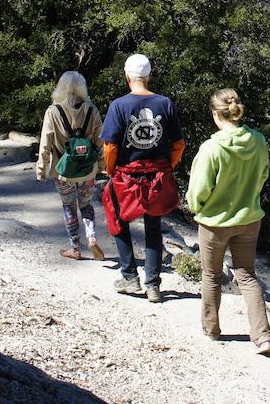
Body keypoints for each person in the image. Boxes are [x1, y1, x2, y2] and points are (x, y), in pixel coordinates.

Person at [187, 88, 270, 354]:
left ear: (216, 114)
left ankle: (211, 329)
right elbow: (263, 175)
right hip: (249, 219)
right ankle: (263, 336)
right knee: (247, 276)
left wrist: (198, 208)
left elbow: (198, 191)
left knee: (211, 275)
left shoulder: (212, 148)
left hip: (214, 223)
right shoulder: (258, 141)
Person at [100, 54, 185, 302]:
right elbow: (178, 144)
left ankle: (129, 277)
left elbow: (110, 146)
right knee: (153, 228)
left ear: (127, 76)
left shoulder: (119, 105)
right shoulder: (165, 103)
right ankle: (153, 285)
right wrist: (167, 166)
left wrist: (109, 169)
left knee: (117, 218)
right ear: (149, 76)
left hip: (126, 175)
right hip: (157, 175)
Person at [36, 71, 105, 261]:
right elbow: (100, 141)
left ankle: (75, 247)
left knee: (68, 205)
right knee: (86, 204)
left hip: (62, 170)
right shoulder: (91, 109)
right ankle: (91, 237)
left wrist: (41, 168)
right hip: (87, 170)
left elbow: (46, 142)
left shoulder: (53, 111)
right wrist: (101, 164)